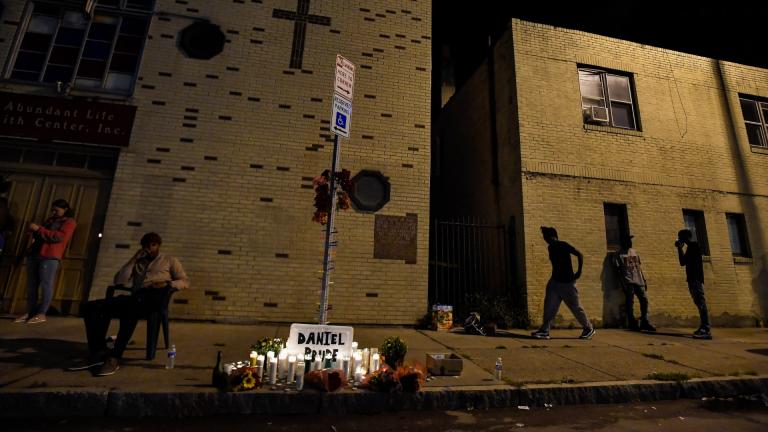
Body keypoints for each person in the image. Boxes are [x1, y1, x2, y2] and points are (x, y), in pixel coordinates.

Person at [70, 232, 189, 376]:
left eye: (153, 245)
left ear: (158, 246)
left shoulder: (170, 260)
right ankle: (98, 350)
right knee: (91, 307)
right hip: (136, 297)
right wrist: (133, 259)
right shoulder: (138, 262)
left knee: (129, 310)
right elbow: (119, 280)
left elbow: (185, 281)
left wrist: (167, 283)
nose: (150, 248)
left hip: (155, 299)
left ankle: (115, 357)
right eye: (147, 245)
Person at [14, 199, 76, 324]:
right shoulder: (50, 220)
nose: (53, 212)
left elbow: (59, 237)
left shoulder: (69, 222)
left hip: (50, 256)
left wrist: (39, 229)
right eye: (52, 210)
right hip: (34, 254)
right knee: (31, 286)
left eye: (56, 210)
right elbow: (41, 235)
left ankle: (42, 313)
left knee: (46, 285)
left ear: (65, 210)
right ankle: (30, 312)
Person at [531, 227, 596, 340]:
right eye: (544, 238)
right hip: (555, 282)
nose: (545, 240)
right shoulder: (550, 247)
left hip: (567, 283)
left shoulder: (563, 245)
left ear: (552, 236)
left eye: (546, 237)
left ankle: (588, 328)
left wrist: (579, 271)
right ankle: (545, 330)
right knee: (549, 306)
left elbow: (579, 254)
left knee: (575, 307)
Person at [612, 235, 656, 332]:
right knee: (630, 302)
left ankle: (644, 320)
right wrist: (622, 284)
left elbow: (639, 267)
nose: (630, 242)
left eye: (630, 241)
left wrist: (644, 280)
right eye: (628, 241)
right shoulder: (618, 254)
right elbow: (617, 271)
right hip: (628, 281)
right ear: (623, 242)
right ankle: (632, 322)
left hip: (639, 280)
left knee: (644, 300)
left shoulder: (634, 251)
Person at [676, 229, 711, 339]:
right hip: (692, 279)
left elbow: (683, 261)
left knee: (701, 302)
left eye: (681, 236)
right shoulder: (690, 247)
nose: (679, 238)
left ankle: (706, 328)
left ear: (687, 236)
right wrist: (680, 249)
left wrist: (679, 248)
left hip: (695, 279)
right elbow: (683, 262)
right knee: (698, 302)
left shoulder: (694, 246)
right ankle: (703, 326)